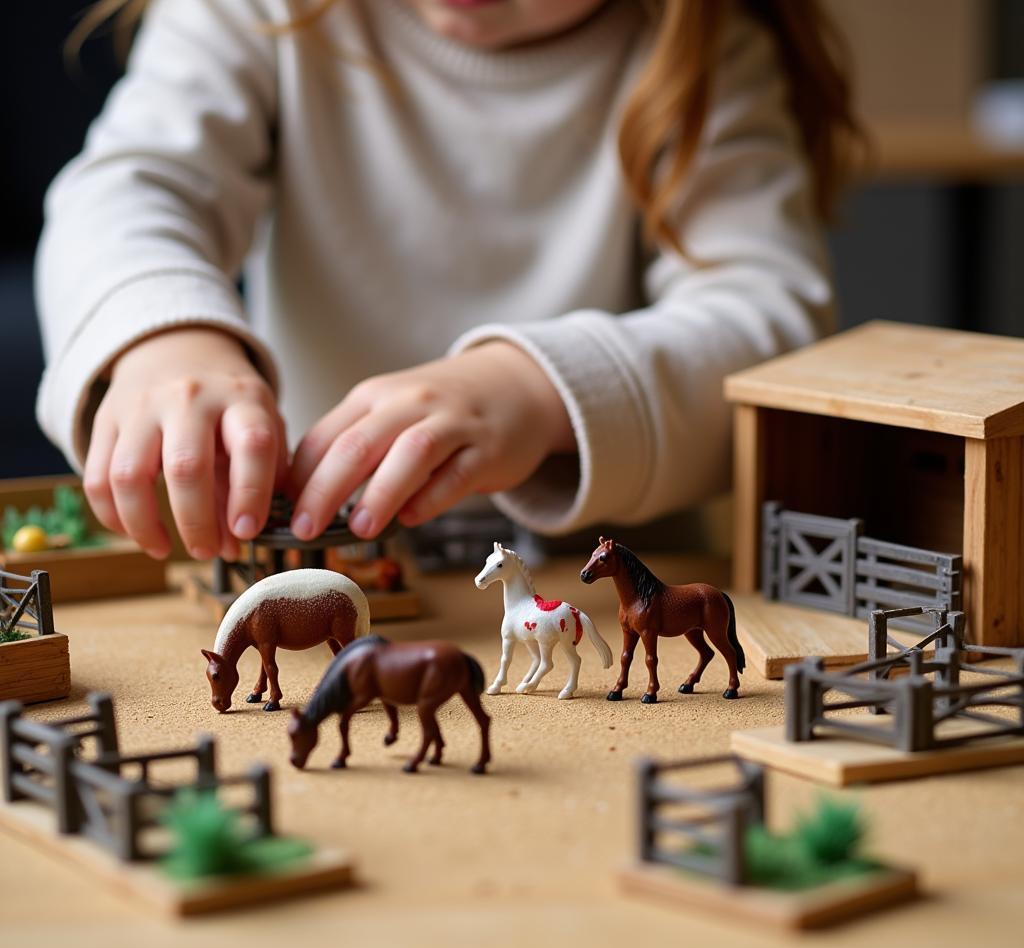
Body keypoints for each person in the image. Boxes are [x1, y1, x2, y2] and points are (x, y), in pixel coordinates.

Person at [36, 0, 859, 562]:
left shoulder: (704, 50)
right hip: (317, 554)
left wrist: (535, 390)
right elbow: (129, 188)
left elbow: (769, 320)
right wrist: (162, 336)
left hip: (598, 586)